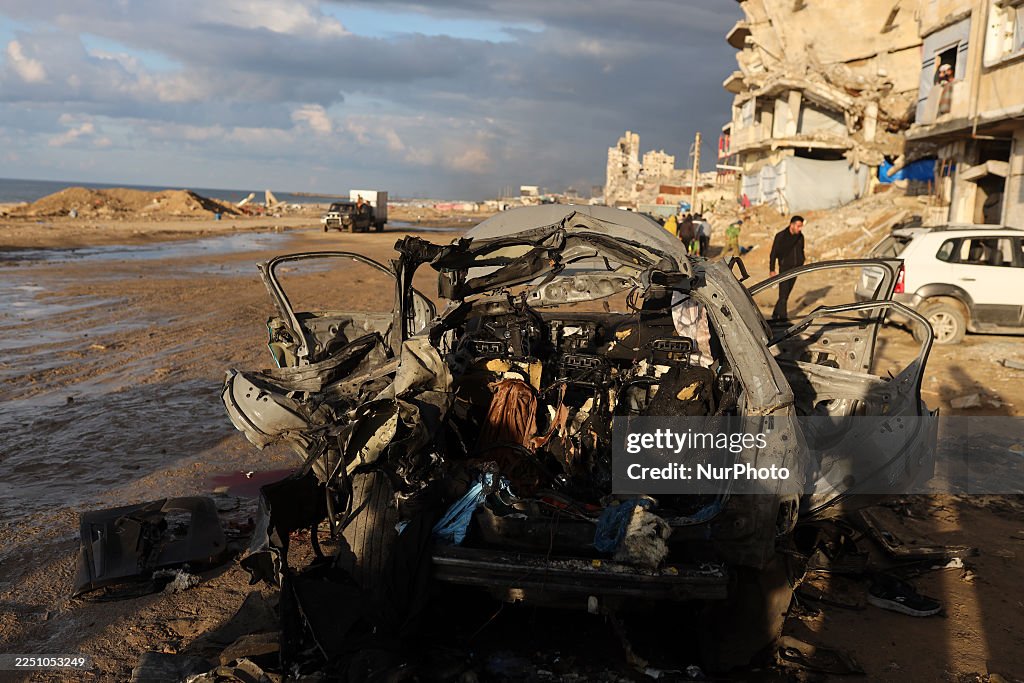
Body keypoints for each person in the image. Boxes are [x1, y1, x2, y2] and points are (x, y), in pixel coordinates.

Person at [768, 215, 806, 320]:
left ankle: (775, 314)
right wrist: (772, 269)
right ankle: (783, 319)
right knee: (783, 294)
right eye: (798, 226)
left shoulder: (800, 237)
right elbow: (773, 253)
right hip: (784, 269)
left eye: (801, 226)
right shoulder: (781, 236)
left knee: (785, 294)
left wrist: (802, 261)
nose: (800, 229)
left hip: (796, 269)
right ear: (791, 225)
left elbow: (801, 250)